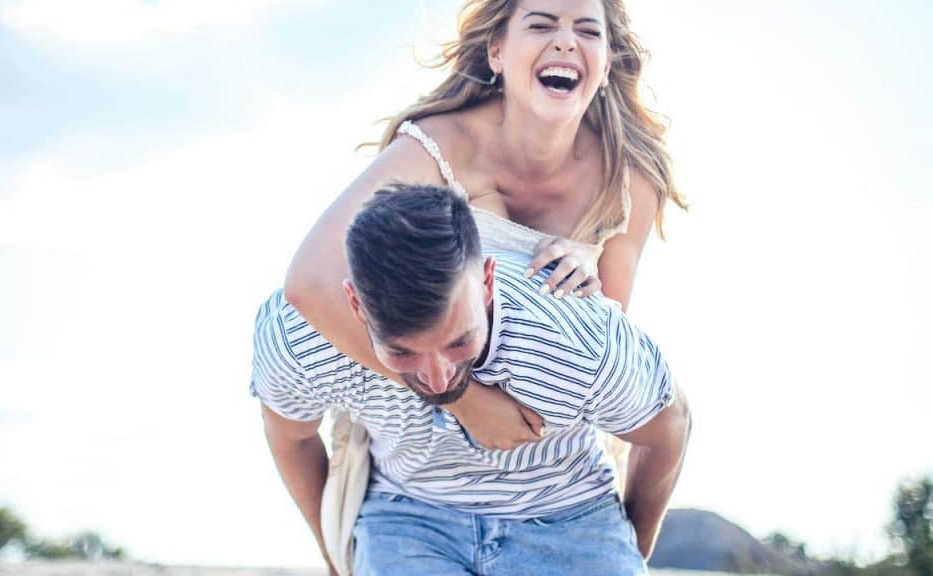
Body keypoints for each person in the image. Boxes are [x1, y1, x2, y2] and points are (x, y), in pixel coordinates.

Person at [284, 0, 688, 452]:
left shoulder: (630, 182)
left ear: (607, 64)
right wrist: (468, 403)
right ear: (497, 52)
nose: (566, 41)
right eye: (541, 24)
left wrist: (589, 257)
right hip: (412, 429)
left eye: (588, 31)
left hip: (538, 450)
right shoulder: (439, 143)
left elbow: (603, 357)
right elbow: (308, 280)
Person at [253, 184, 690, 575]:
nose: (438, 379)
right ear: (355, 305)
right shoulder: (302, 335)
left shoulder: (575, 336)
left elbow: (670, 426)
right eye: (403, 352)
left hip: (567, 513)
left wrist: (633, 548)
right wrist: (334, 557)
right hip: (408, 516)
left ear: (486, 281)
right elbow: (290, 435)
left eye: (458, 342)